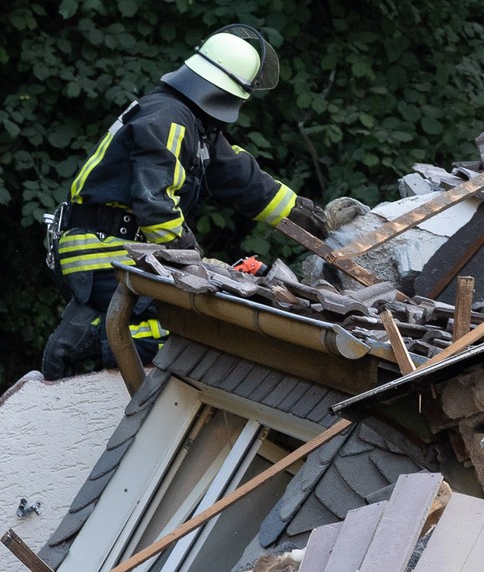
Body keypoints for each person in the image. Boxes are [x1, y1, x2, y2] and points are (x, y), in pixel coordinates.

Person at [41, 25, 327, 378]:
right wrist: (193, 260)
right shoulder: (169, 118)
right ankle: (87, 340)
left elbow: (240, 177)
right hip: (106, 249)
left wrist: (297, 211)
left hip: (121, 247)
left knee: (183, 316)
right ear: (230, 93)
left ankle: (90, 330)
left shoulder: (193, 125)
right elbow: (154, 202)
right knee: (176, 325)